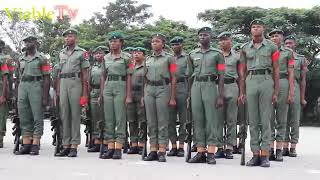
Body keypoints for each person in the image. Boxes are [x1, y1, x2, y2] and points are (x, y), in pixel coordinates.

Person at [239, 19, 280, 167]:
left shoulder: (272, 47)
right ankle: (255, 154)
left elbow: (276, 69)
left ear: (263, 29)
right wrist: (242, 91)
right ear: (251, 30)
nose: (256, 29)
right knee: (253, 121)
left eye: (259, 26)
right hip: (250, 81)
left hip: (266, 80)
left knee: (266, 120)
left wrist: (276, 91)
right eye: (253, 27)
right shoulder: (244, 48)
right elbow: (242, 71)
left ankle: (265, 154)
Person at [187, 27, 225, 164]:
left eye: (206, 35)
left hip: (210, 86)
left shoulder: (218, 54)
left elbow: (221, 75)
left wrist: (220, 95)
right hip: (196, 86)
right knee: (198, 120)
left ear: (210, 37)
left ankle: (211, 152)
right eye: (201, 35)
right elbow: (189, 75)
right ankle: (200, 151)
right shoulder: (192, 54)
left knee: (211, 120)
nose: (203, 37)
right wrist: (188, 94)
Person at [56, 28, 90, 157]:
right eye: (65, 37)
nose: (67, 39)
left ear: (75, 38)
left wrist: (85, 93)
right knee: (65, 115)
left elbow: (85, 74)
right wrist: (58, 90)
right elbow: (59, 73)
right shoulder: (61, 53)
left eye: (70, 36)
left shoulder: (82, 53)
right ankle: (65, 145)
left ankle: (74, 146)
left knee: (75, 115)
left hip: (76, 83)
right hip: (64, 83)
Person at [99, 32, 134, 159]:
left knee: (120, 118)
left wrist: (129, 95)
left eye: (116, 41)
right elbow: (103, 76)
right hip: (108, 86)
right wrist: (101, 93)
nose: (113, 43)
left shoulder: (127, 57)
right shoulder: (105, 57)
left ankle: (119, 147)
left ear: (121, 43)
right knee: (109, 118)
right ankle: (110, 147)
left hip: (121, 85)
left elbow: (129, 76)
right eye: (111, 41)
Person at [143, 33, 177, 162]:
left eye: (157, 41)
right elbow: (144, 78)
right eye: (153, 41)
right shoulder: (148, 59)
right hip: (149, 89)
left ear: (163, 44)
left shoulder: (170, 58)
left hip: (163, 89)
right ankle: (153, 149)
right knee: (151, 121)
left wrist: (172, 97)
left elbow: (174, 77)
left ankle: (162, 149)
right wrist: (144, 94)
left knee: (162, 121)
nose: (154, 43)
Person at [16, 36, 51, 155]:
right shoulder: (21, 58)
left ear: (35, 43)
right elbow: (18, 77)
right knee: (24, 115)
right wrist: (16, 93)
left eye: (29, 42)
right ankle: (26, 143)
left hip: (36, 85)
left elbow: (47, 78)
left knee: (37, 115)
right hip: (23, 86)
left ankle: (35, 143)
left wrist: (45, 96)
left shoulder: (42, 58)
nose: (27, 44)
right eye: (25, 42)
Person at [269, 29, 295, 162]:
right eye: (272, 36)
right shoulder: (267, 51)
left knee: (281, 118)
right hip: (269, 82)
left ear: (282, 37)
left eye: (277, 36)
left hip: (284, 82)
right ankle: (269, 149)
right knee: (268, 119)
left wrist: (291, 92)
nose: (274, 38)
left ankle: (279, 150)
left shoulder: (288, 53)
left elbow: (291, 73)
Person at [215, 32, 241, 159]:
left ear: (231, 41)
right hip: (217, 87)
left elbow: (241, 76)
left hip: (232, 86)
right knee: (218, 119)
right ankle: (219, 147)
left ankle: (230, 147)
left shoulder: (237, 56)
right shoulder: (215, 55)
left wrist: (242, 93)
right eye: (221, 40)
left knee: (231, 119)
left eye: (225, 40)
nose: (223, 42)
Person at [284, 35, 307, 157]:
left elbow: (303, 80)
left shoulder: (301, 59)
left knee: (294, 118)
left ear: (295, 44)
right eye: (286, 43)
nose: (288, 46)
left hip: (296, 87)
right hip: (283, 85)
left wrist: (302, 97)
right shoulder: (280, 56)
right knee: (283, 118)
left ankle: (293, 146)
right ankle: (284, 146)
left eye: (290, 43)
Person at [167, 36, 188, 157]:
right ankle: (173, 145)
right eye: (173, 45)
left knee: (183, 119)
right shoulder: (169, 59)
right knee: (170, 119)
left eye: (177, 44)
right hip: (169, 87)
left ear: (182, 45)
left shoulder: (187, 58)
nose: (175, 47)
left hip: (182, 87)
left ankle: (181, 146)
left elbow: (190, 76)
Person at [87, 46, 109, 152]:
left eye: (100, 53)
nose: (98, 55)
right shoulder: (92, 67)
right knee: (95, 118)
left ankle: (105, 141)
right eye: (96, 54)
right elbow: (88, 82)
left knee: (104, 117)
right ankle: (96, 141)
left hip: (105, 92)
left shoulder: (107, 65)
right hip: (94, 92)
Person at [127, 47, 147, 155]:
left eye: (139, 53)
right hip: (131, 94)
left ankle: (142, 143)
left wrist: (144, 95)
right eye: (134, 53)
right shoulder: (131, 65)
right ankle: (133, 143)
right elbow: (128, 79)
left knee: (142, 120)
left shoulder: (146, 66)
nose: (136, 55)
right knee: (132, 120)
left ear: (143, 55)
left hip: (141, 93)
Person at [0, 39, 9, 148]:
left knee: (1, 115)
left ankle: (0, 138)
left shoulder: (3, 59)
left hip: (1, 87)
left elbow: (6, 77)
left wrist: (3, 95)